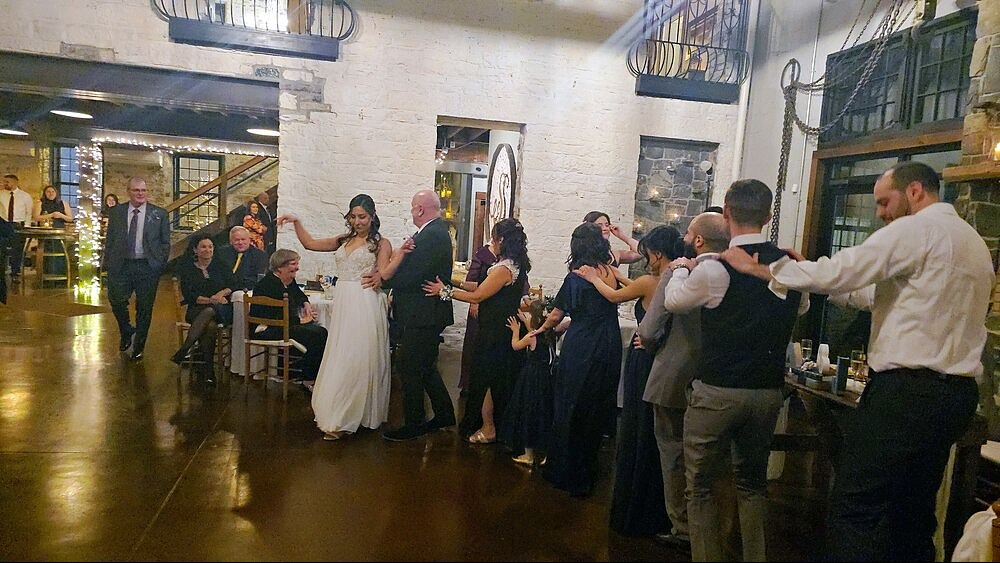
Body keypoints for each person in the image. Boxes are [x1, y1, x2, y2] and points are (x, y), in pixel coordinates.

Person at [721, 161, 994, 562]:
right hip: (956, 397)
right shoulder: (974, 243)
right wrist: (807, 273)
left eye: (885, 202)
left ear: (915, 191)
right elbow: (872, 294)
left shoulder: (917, 229)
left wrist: (766, 268)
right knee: (912, 510)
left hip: (908, 393)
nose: (881, 213)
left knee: (856, 505)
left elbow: (842, 271)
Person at [663, 179, 808, 562]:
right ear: (769, 216)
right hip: (767, 392)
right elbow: (802, 307)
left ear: (726, 213)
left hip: (717, 390)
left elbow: (675, 302)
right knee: (752, 485)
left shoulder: (715, 267)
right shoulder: (789, 267)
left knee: (700, 487)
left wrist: (680, 269)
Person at [576, 225, 685, 536]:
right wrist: (614, 273)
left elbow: (614, 295)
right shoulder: (674, 280)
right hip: (660, 360)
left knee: (638, 428)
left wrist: (594, 277)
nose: (645, 258)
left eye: (647, 253)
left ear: (658, 254)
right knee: (652, 432)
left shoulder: (653, 281)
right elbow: (635, 287)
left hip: (644, 361)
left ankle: (635, 506)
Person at [277, 194, 409, 441]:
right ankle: (340, 411)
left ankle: (350, 415)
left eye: (363, 217)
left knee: (358, 358)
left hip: (365, 301)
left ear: (372, 217)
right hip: (344, 301)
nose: (358, 222)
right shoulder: (343, 240)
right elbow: (309, 244)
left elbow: (385, 273)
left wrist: (398, 256)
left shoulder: (381, 243)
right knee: (341, 354)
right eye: (354, 217)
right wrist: (296, 221)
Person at [637, 212, 728, 548]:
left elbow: (648, 330)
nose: (684, 238)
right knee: (706, 460)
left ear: (698, 240)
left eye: (689, 232)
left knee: (673, 454)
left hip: (673, 374)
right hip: (714, 376)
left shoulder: (679, 272)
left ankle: (682, 527)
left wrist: (651, 344)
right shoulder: (734, 272)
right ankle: (709, 529)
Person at [530, 221, 621, 497]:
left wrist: (541, 329)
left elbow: (557, 314)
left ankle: (567, 471)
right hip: (610, 341)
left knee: (571, 403)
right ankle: (589, 467)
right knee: (596, 404)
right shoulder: (610, 272)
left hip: (583, 344)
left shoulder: (577, 276)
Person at [423, 218, 530, 444]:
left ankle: (489, 427)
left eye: (494, 238)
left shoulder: (504, 269)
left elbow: (479, 296)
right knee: (492, 377)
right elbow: (482, 286)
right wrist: (453, 282)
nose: (492, 242)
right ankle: (491, 424)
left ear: (502, 240)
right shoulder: (513, 264)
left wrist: (444, 292)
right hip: (499, 328)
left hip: (495, 331)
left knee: (487, 379)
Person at [374, 189, 456, 442]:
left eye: (412, 207)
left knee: (408, 366)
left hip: (423, 313)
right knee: (425, 365)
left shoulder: (432, 235)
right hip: (426, 312)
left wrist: (384, 279)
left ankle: (414, 423)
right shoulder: (434, 232)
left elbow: (414, 274)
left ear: (420, 209)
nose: (411, 211)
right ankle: (444, 414)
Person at [104, 177, 170, 361]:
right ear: (129, 192)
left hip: (147, 267)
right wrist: (107, 263)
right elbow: (111, 240)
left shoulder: (159, 214)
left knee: (145, 307)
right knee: (117, 301)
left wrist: (159, 262)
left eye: (143, 190)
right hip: (121, 265)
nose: (140, 193)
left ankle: (139, 345)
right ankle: (126, 330)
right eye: (136, 190)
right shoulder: (117, 212)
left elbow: (165, 242)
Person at [250, 249, 328, 383]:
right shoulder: (268, 285)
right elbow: (274, 315)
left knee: (318, 331)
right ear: (280, 267)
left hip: (282, 325)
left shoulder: (287, 279)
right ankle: (308, 378)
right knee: (318, 334)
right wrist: (301, 320)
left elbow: (298, 294)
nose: (296, 269)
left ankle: (298, 372)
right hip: (265, 329)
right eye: (293, 265)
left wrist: (306, 304)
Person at [172, 234, 235, 386]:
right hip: (197, 309)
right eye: (203, 247)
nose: (208, 250)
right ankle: (209, 371)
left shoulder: (221, 265)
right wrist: (211, 300)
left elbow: (233, 284)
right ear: (195, 250)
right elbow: (190, 296)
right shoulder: (188, 269)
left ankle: (185, 349)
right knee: (210, 325)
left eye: (210, 247)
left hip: (221, 309)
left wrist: (221, 294)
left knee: (211, 311)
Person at [500, 298, 556, 466]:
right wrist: (527, 322)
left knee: (527, 412)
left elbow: (515, 346)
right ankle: (547, 454)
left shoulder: (531, 337)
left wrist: (516, 331)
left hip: (531, 378)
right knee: (544, 413)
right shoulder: (550, 334)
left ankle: (528, 454)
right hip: (546, 379)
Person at [458, 243, 498, 393]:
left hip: (494, 306)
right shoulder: (482, 254)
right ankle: (468, 383)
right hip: (479, 303)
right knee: (473, 343)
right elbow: (472, 279)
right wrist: (474, 302)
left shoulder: (506, 256)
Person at [33, 185, 74, 281]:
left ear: (56, 193)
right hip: (44, 233)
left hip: (59, 232)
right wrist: (50, 215)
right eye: (48, 192)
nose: (50, 194)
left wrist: (61, 215)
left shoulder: (63, 203)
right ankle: (45, 276)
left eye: (53, 192)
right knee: (46, 253)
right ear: (45, 193)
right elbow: (36, 217)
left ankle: (60, 276)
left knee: (59, 253)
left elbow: (70, 218)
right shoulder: (40, 203)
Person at [1, 174, 33, 281]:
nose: (5, 184)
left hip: (18, 225)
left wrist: (27, 227)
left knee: (17, 249)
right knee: (2, 248)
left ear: (15, 182)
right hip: (3, 224)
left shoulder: (25, 196)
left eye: (7, 182)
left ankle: (15, 272)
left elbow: (28, 212)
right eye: (4, 181)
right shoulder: (1, 194)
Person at [217, 226, 268, 291]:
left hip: (245, 289)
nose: (240, 243)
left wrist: (231, 289)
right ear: (231, 241)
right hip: (222, 289)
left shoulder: (260, 255)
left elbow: (256, 278)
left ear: (249, 240)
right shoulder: (221, 253)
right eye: (237, 240)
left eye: (243, 239)